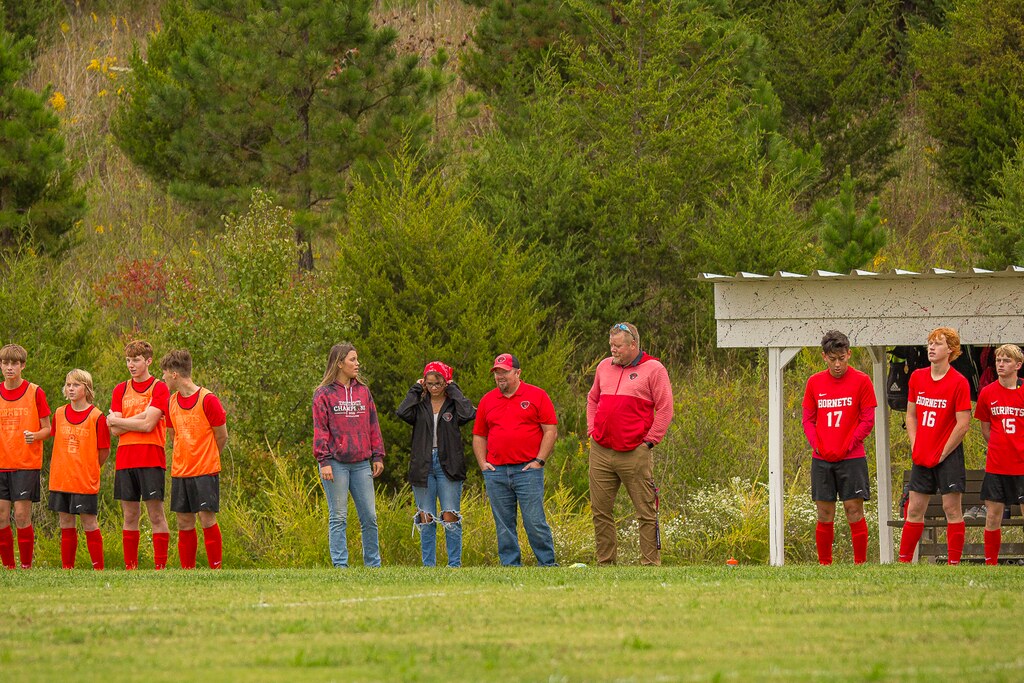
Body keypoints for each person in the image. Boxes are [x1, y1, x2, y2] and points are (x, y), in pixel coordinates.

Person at [586, 322, 673, 566]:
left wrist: (649, 442)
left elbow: (665, 408)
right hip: (601, 450)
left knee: (645, 511)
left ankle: (649, 564)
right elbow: (592, 399)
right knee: (600, 511)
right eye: (611, 345)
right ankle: (605, 563)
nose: (613, 350)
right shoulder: (604, 366)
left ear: (633, 345)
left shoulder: (654, 369)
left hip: (635, 451)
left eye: (618, 346)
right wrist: (592, 430)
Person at [472, 353, 558, 566]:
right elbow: (479, 435)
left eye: (504, 372)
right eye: (496, 373)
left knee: (534, 521)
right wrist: (483, 464)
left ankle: (547, 564)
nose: (499, 376)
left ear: (518, 373)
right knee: (503, 524)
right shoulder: (487, 400)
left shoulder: (537, 395)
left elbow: (550, 431)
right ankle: (510, 565)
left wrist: (539, 461)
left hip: (527, 470)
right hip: (496, 471)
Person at [800, 330, 876, 565]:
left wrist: (848, 444)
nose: (837, 364)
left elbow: (867, 420)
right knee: (824, 513)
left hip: (852, 458)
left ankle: (860, 564)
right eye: (832, 359)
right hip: (822, 458)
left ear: (849, 354)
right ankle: (825, 564)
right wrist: (818, 446)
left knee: (854, 510)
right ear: (824, 357)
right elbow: (808, 420)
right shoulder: (814, 382)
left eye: (841, 358)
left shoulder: (862, 381)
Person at [898, 327, 972, 564]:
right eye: (930, 343)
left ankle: (953, 563)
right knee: (914, 509)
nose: (931, 347)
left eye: (938, 344)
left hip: (948, 455)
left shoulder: (959, 382)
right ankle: (903, 562)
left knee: (952, 509)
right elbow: (911, 415)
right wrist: (915, 444)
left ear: (951, 350)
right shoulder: (917, 377)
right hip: (922, 453)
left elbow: (963, 424)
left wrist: (942, 453)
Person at [312, 343, 385, 567]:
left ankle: (373, 565)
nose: (357, 363)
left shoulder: (363, 391)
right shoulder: (323, 394)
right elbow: (320, 429)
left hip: (362, 463)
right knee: (338, 516)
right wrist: (324, 460)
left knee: (370, 517)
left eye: (357, 359)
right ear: (339, 363)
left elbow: (373, 424)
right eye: (352, 359)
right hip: (335, 464)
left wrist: (378, 455)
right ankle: (340, 565)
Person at [397, 361, 476, 567]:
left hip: (448, 463)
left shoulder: (453, 405)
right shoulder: (419, 405)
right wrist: (416, 389)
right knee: (426, 517)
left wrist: (453, 390)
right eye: (429, 383)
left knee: (450, 514)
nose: (434, 388)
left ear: (445, 382)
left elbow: (469, 413)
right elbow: (402, 412)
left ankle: (454, 564)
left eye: (438, 383)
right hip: (422, 464)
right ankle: (428, 565)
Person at [106, 340, 171, 570]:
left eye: (136, 360)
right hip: (125, 459)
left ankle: (160, 567)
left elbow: (148, 425)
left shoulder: (159, 388)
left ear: (148, 361)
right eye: (128, 360)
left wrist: (120, 421)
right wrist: (140, 417)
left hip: (151, 458)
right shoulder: (120, 389)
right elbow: (115, 431)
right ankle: (130, 567)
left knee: (156, 515)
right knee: (130, 516)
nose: (131, 365)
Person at [161, 350, 228, 570]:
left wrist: (207, 456)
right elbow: (173, 435)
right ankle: (187, 571)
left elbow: (222, 435)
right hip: (181, 471)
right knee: (184, 522)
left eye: (164, 373)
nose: (162, 378)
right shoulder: (171, 402)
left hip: (205, 471)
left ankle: (216, 568)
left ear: (174, 374)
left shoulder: (208, 399)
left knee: (207, 519)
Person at [48, 369, 110, 570]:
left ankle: (98, 568)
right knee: (65, 523)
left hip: (84, 481)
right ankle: (68, 569)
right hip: (61, 479)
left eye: (76, 385)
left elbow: (104, 451)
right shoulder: (59, 413)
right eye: (68, 385)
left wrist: (89, 467)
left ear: (87, 388)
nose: (71, 388)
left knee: (89, 523)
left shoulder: (97, 416)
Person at [0, 344, 51, 569]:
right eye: (5, 363)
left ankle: (26, 567)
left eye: (14, 363)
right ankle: (9, 567)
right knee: (1, 517)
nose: (9, 367)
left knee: (21, 516)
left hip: (25, 464)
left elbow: (48, 429)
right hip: (1, 464)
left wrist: (35, 435)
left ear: (23, 366)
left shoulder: (35, 392)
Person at [973, 343, 1024, 565]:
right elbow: (985, 428)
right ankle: (990, 563)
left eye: (1006, 361)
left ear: (1018, 365)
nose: (1001, 364)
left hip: (1021, 465)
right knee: (993, 515)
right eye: (998, 360)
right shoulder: (987, 392)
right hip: (996, 465)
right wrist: (998, 446)